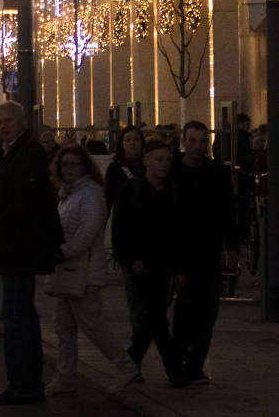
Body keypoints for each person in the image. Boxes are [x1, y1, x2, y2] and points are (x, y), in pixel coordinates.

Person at [0, 100, 61, 406]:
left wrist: (0, 221)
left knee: (18, 317)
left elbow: (25, 201)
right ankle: (23, 381)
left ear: (22, 122)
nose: (3, 126)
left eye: (8, 121)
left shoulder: (27, 153)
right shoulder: (13, 151)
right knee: (18, 315)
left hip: (19, 247)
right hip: (15, 247)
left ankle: (24, 383)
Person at [48, 142, 136, 395]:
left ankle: (125, 366)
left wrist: (62, 251)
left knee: (92, 324)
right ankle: (65, 376)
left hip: (85, 271)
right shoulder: (67, 194)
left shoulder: (91, 194)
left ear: (85, 166)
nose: (68, 169)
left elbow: (88, 232)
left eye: (74, 164)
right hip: (67, 270)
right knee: (63, 326)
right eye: (64, 164)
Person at [164, 120, 237, 386]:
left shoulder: (216, 172)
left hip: (208, 252)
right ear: (184, 141)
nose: (197, 147)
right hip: (180, 253)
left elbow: (228, 209)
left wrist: (232, 245)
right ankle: (179, 362)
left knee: (207, 313)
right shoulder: (172, 172)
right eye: (192, 141)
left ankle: (195, 365)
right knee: (184, 313)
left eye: (202, 141)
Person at [113, 137, 181, 383]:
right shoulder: (132, 191)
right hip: (140, 265)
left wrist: (178, 267)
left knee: (155, 317)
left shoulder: (172, 191)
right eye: (158, 159)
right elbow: (121, 230)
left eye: (167, 160)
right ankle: (172, 369)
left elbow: (177, 232)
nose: (164, 165)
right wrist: (132, 259)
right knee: (155, 316)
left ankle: (131, 362)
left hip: (164, 264)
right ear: (146, 161)